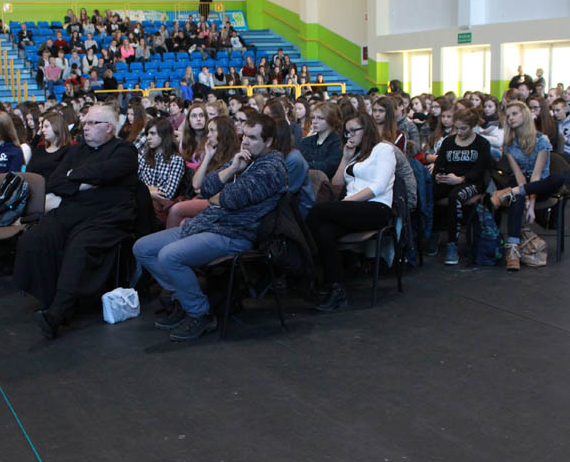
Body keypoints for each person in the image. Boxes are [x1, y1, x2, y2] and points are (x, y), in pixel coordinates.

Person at [133, 113, 287, 342]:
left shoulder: (272, 168)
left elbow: (229, 199)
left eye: (253, 138)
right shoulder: (244, 159)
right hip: (207, 225)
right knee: (142, 248)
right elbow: (206, 188)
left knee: (169, 256)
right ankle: (184, 298)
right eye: (244, 136)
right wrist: (232, 169)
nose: (245, 142)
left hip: (235, 234)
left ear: (269, 141)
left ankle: (200, 313)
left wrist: (221, 193)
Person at [15, 104, 138, 339]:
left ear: (109, 128)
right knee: (34, 239)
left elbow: (104, 172)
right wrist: (82, 182)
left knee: (78, 247)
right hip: (74, 210)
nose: (85, 128)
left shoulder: (125, 151)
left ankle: (57, 313)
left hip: (109, 216)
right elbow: (55, 181)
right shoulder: (78, 149)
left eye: (92, 123)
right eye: (85, 123)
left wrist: (74, 176)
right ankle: (51, 298)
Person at [306, 112, 396, 311]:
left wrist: (346, 203)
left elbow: (378, 187)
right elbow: (337, 184)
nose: (350, 136)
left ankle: (305, 269)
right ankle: (337, 288)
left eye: (354, 131)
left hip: (377, 208)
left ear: (367, 129)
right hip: (352, 209)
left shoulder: (383, 149)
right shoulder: (354, 154)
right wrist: (345, 158)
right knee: (325, 231)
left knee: (318, 212)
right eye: (347, 132)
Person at [490, 101, 569, 271]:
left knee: (558, 178)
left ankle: (510, 192)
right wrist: (524, 197)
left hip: (540, 184)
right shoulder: (509, 143)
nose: (511, 118)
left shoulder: (541, 140)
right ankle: (513, 248)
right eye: (508, 116)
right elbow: (519, 175)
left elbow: (536, 175)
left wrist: (531, 205)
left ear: (524, 115)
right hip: (521, 183)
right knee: (517, 196)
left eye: (515, 114)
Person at [431, 108, 491, 265]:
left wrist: (461, 179)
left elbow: (480, 170)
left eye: (463, 128)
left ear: (472, 126)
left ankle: (452, 243)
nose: (459, 132)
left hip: (472, 182)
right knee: (428, 193)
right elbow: (440, 163)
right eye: (456, 128)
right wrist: (438, 176)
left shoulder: (482, 143)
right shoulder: (448, 142)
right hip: (449, 179)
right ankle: (432, 233)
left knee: (455, 197)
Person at [139, 118, 186, 223]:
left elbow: (168, 193)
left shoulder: (176, 159)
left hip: (159, 207)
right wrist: (150, 192)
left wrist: (145, 189)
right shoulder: (144, 156)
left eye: (152, 133)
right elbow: (134, 182)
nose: (148, 137)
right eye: (147, 134)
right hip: (143, 200)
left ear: (164, 134)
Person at [298, 102, 343, 179]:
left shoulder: (338, 142)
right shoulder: (305, 142)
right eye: (313, 118)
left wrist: (304, 166)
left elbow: (329, 167)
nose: (314, 121)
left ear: (331, 119)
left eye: (320, 118)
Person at [27, 111, 72, 180]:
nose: (43, 130)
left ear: (57, 127)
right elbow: (29, 170)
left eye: (46, 126)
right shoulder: (40, 149)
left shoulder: (68, 150)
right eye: (42, 127)